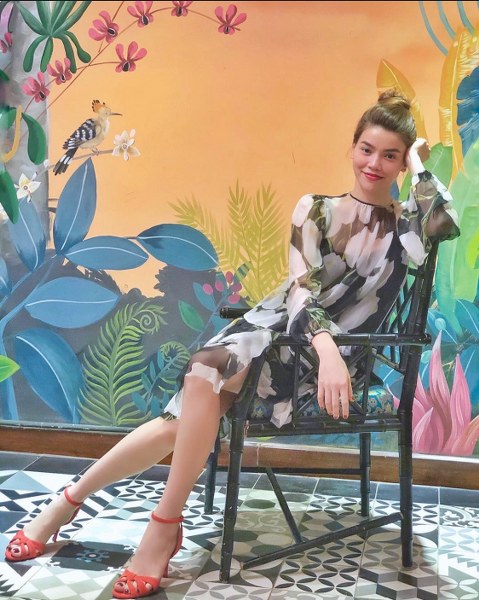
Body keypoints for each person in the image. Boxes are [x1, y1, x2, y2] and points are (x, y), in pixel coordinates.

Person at [4, 90, 460, 598]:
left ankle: (76, 505)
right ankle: (153, 523)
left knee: (186, 406)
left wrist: (419, 161)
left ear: (401, 163)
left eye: (390, 155)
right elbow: (301, 291)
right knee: (204, 372)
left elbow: (446, 223)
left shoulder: (406, 225)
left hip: (327, 360)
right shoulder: (317, 209)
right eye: (366, 149)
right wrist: (325, 345)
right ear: (352, 147)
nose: (374, 164)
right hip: (282, 332)